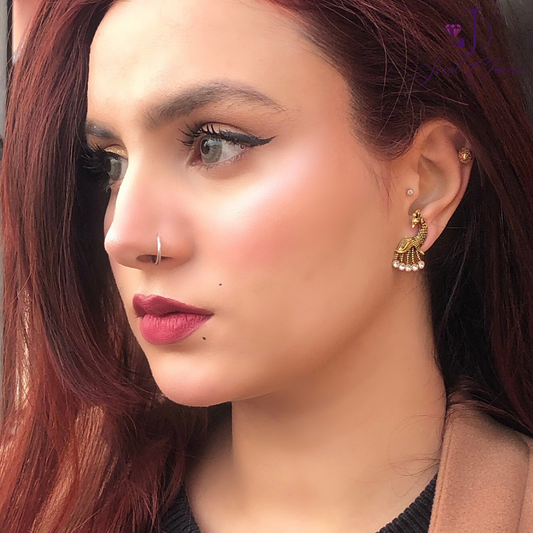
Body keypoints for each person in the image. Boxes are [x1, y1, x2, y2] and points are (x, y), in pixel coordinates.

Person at [0, 0, 532, 532]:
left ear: (427, 182)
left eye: (214, 146)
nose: (123, 236)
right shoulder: (41, 501)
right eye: (111, 163)